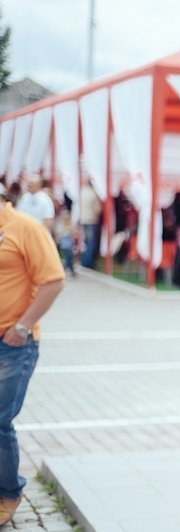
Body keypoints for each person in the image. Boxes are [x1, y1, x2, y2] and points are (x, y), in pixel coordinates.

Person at [0, 188, 65, 527]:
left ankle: (9, 493)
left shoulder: (25, 227)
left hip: (12, 344)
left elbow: (54, 280)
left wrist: (22, 327)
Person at [78, 181, 102, 268]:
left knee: (86, 242)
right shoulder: (93, 194)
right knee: (91, 243)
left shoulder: (81, 192)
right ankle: (87, 262)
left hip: (83, 219)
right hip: (91, 220)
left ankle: (84, 260)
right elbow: (97, 209)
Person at [54, 208, 77, 277]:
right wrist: (55, 244)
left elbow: (74, 235)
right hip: (64, 245)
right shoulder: (61, 225)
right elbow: (57, 236)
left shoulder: (70, 225)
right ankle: (63, 270)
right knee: (69, 258)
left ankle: (72, 271)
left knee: (69, 258)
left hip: (69, 245)